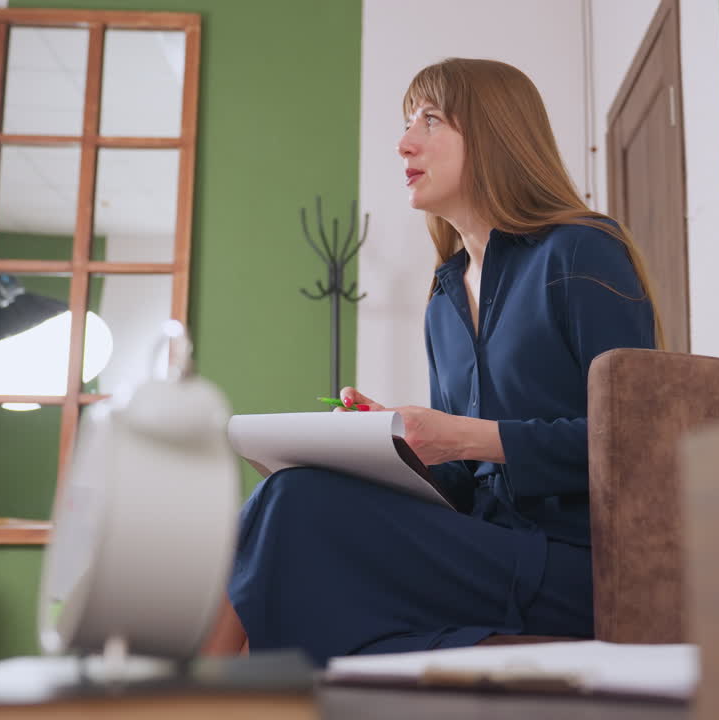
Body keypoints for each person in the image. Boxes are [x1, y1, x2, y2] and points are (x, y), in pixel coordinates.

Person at [201, 58, 661, 666]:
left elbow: (638, 442)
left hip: (578, 564)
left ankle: (189, 694)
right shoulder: (443, 298)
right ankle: (210, 690)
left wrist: (463, 435)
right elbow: (464, 483)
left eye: (431, 120)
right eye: (406, 123)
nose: (404, 143)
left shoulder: (581, 249)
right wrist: (395, 445)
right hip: (486, 551)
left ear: (496, 133)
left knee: (294, 508)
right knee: (294, 489)